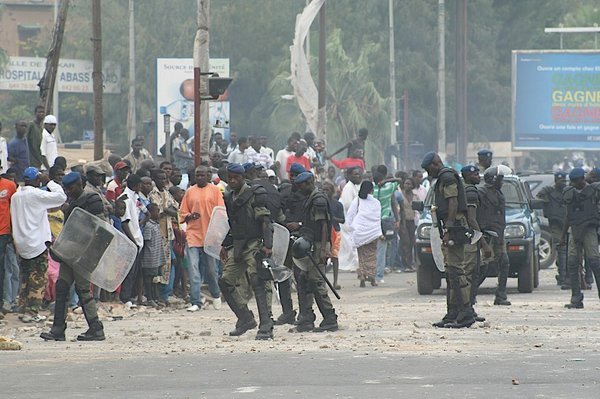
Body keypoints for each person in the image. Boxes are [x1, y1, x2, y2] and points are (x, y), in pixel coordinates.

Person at [40, 172, 106, 341]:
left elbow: (100, 229)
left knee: (83, 290)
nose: (68, 191)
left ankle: (96, 328)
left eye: (71, 187)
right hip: (70, 253)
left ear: (79, 184)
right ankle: (58, 330)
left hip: (85, 255)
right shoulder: (72, 202)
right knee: (61, 287)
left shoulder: (92, 200)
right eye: (66, 188)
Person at [219, 163, 274, 340]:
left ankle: (266, 325)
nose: (233, 180)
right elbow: (233, 222)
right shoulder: (229, 196)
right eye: (230, 178)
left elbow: (265, 220)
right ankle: (245, 318)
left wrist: (268, 245)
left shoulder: (254, 194)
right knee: (226, 281)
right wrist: (225, 243)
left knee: (258, 280)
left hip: (255, 243)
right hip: (238, 243)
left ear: (243, 177)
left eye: (236, 177)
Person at [421, 152, 474, 329]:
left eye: (429, 170)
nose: (429, 174)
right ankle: (453, 313)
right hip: (450, 227)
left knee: (457, 271)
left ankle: (465, 313)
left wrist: (449, 229)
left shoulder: (448, 177)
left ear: (436, 164)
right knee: (451, 272)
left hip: (456, 228)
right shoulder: (445, 177)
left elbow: (452, 202)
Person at [10, 167, 67, 323]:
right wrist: (49, 181)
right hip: (36, 243)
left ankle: (23, 309)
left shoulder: (15, 196)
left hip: (22, 243)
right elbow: (61, 197)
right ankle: (32, 311)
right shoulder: (36, 194)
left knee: (25, 278)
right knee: (38, 279)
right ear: (37, 180)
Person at [291, 171, 339, 332]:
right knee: (305, 280)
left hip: (319, 245)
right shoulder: (310, 198)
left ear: (310, 182)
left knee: (317, 282)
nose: (299, 188)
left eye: (302, 185)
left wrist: (324, 250)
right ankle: (307, 317)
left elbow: (324, 225)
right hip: (311, 243)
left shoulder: (318, 200)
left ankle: (330, 318)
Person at [180, 165, 224, 312]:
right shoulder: (189, 192)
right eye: (197, 175)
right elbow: (182, 213)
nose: (199, 177)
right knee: (193, 269)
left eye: (202, 175)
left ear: (208, 176)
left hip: (210, 235)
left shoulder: (215, 191)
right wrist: (190, 216)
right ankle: (196, 301)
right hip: (194, 234)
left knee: (211, 270)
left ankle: (216, 295)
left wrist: (218, 232)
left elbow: (221, 212)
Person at [274, 163, 309, 326]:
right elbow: (278, 212)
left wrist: (300, 225)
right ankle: (288, 312)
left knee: (302, 277)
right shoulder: (284, 192)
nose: (294, 179)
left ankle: (304, 313)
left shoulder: (310, 195)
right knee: (283, 275)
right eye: (293, 176)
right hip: (286, 237)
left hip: (302, 239)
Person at [561, 167, 600, 309]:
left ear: (582, 179)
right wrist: (562, 235)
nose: (575, 184)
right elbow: (568, 215)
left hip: (589, 229)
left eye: (577, 181)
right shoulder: (569, 193)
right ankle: (576, 298)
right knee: (572, 263)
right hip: (574, 230)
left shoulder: (594, 191)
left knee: (594, 262)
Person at [477, 165, 512, 306]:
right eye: (500, 179)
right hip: (486, 234)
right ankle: (469, 296)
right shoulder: (482, 194)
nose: (502, 182)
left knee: (504, 263)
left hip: (499, 234)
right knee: (483, 267)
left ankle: (501, 295)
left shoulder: (498, 194)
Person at [461, 165, 491, 322]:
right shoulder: (471, 191)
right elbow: (471, 219)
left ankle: (468, 307)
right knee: (470, 274)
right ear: (466, 176)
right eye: (474, 174)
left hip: (467, 237)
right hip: (470, 239)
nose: (478, 176)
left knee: (474, 272)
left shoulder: (465, 189)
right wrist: (483, 243)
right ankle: (466, 308)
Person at [149, 169, 179, 304]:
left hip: (168, 234)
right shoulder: (152, 193)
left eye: (164, 178)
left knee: (168, 265)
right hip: (156, 234)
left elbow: (175, 209)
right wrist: (166, 210)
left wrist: (166, 210)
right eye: (160, 178)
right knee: (157, 266)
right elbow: (157, 212)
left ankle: (164, 295)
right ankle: (156, 295)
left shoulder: (166, 193)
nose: (163, 181)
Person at [346, 181, 382, 287]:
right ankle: (372, 278)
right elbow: (377, 219)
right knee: (371, 255)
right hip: (373, 233)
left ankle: (362, 276)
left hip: (359, 233)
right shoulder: (376, 202)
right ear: (372, 190)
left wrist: (351, 228)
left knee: (361, 256)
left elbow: (350, 215)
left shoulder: (356, 201)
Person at [537, 171, 569, 289]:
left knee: (569, 251)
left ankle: (566, 276)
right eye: (560, 180)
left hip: (568, 223)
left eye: (564, 180)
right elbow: (539, 197)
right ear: (555, 180)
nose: (563, 183)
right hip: (555, 223)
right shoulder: (549, 191)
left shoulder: (568, 191)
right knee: (561, 249)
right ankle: (563, 276)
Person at [118, 174, 145, 306]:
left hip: (138, 238)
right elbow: (124, 222)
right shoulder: (126, 199)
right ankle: (125, 298)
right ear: (136, 185)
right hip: (130, 240)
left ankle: (131, 296)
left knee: (135, 271)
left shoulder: (135, 197)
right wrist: (132, 240)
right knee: (128, 271)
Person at [372, 165, 400, 284]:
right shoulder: (388, 189)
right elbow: (399, 180)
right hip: (385, 220)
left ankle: (369, 272)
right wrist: (387, 181)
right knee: (382, 248)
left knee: (372, 249)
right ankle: (379, 275)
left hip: (372, 221)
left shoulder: (372, 190)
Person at [140, 203, 166, 308]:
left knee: (154, 278)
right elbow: (146, 241)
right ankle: (149, 298)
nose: (158, 213)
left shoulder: (156, 224)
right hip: (149, 257)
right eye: (156, 211)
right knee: (148, 278)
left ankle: (154, 297)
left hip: (156, 257)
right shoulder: (149, 226)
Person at [0, 168, 17, 318]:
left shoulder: (10, 186)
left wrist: (14, 232)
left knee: (7, 269)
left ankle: (7, 301)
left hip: (5, 233)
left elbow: (15, 209)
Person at [323, 181, 344, 289]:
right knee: (323, 257)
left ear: (332, 191)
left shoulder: (337, 204)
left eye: (327, 190)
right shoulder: (320, 203)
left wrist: (332, 218)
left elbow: (343, 220)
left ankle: (335, 282)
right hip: (323, 232)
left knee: (334, 257)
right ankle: (323, 282)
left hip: (335, 232)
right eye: (324, 190)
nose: (325, 192)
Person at [401, 178, 417, 272]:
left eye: (409, 184)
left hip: (412, 221)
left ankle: (411, 263)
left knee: (412, 242)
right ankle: (405, 264)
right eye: (406, 184)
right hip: (403, 221)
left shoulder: (415, 196)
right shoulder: (400, 195)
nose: (407, 186)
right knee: (405, 242)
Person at [27, 105, 45, 169]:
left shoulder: (40, 127)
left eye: (43, 112)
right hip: (31, 159)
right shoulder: (31, 125)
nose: (41, 114)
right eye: (40, 112)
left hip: (37, 159)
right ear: (35, 113)